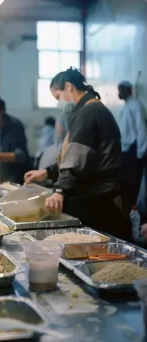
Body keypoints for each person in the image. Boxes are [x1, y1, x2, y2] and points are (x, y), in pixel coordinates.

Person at [24, 68, 131, 241]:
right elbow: (75, 156)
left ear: (69, 87)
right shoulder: (89, 110)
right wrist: (47, 172)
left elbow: (77, 157)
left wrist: (60, 190)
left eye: (58, 97)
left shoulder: (89, 112)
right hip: (97, 198)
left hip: (99, 201)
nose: (59, 103)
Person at [118, 81, 147, 214]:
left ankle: (134, 214)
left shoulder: (135, 105)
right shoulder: (126, 106)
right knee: (127, 183)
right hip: (126, 150)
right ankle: (127, 212)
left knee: (133, 183)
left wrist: (140, 152)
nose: (118, 93)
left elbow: (141, 128)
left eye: (120, 90)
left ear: (127, 90)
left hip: (134, 150)